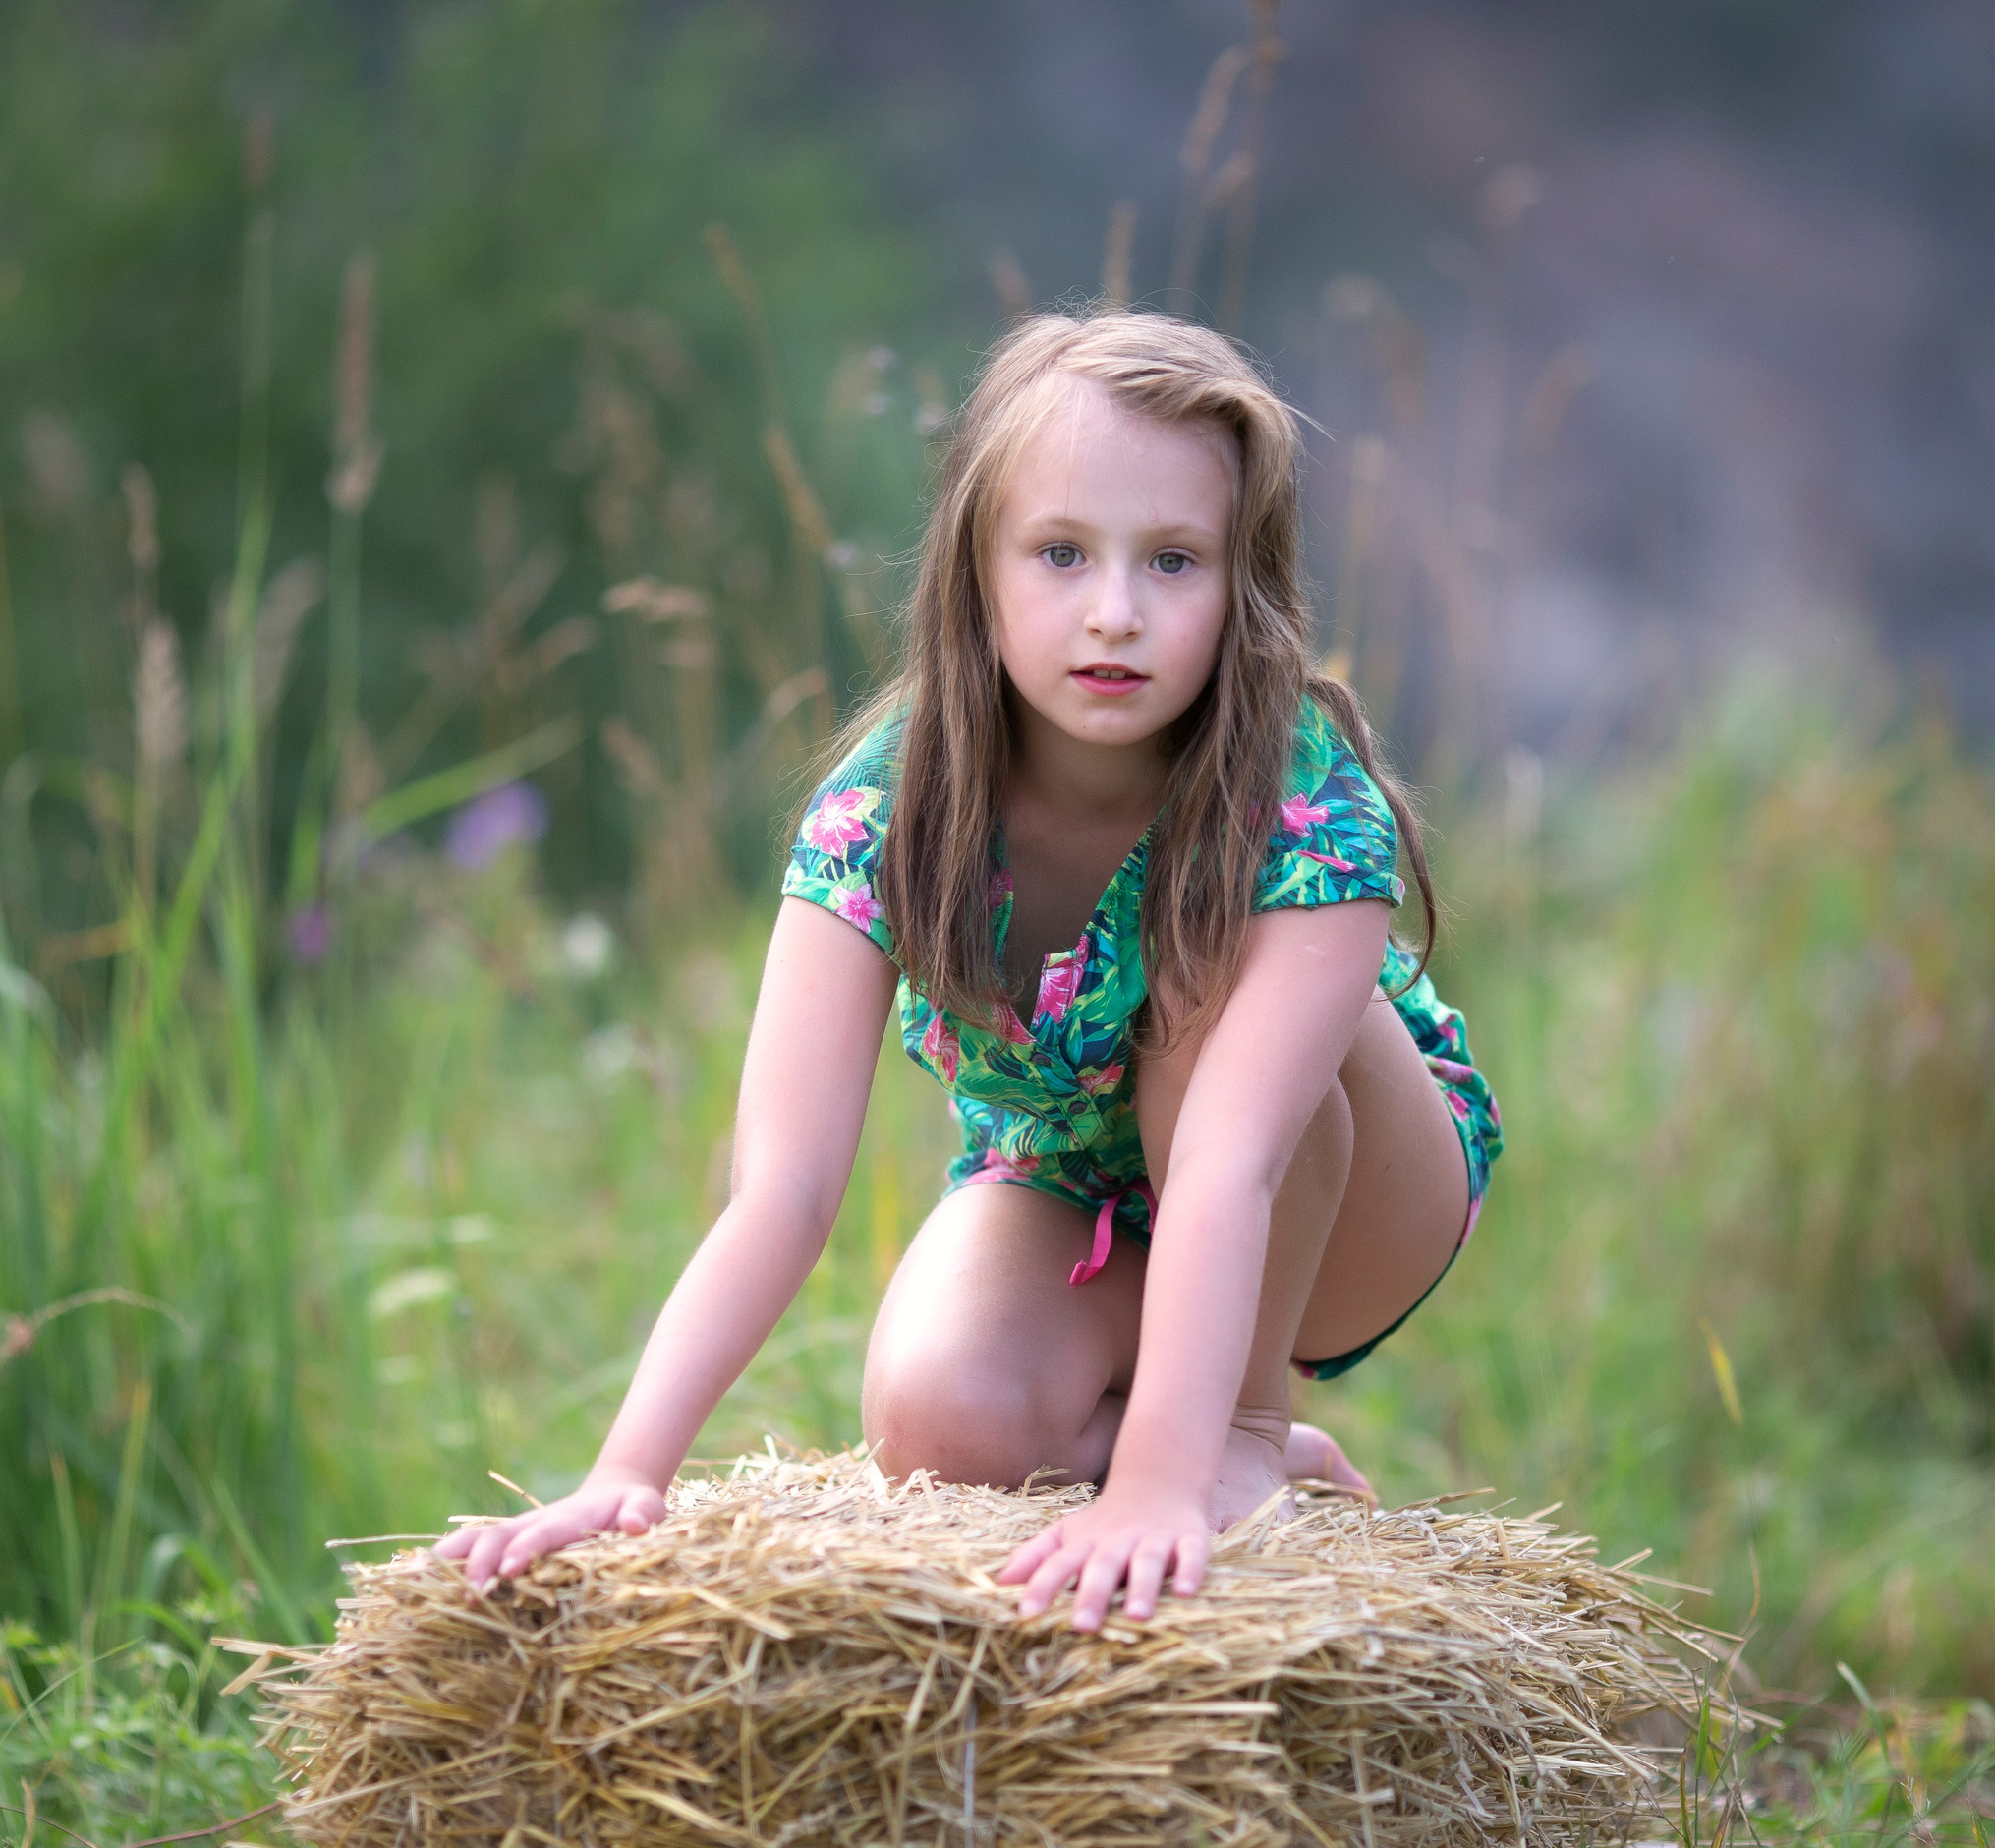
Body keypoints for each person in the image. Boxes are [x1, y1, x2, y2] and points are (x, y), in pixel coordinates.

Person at [437, 310, 1503, 1632]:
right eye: (1061, 553)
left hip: (1344, 1192)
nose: (1114, 614)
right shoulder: (882, 814)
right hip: (1081, 1184)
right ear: (977, 571)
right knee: (939, 1416)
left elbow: (1232, 1165)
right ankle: (1230, 1449)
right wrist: (624, 1471)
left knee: (1192, 959)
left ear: (1242, 589)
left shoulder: (1293, 793)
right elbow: (784, 1185)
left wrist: (1158, 1490)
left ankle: (1234, 1423)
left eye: (1173, 561)